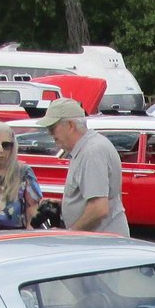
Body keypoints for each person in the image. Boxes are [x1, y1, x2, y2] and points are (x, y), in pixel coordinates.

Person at [43, 98, 129, 235]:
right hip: (99, 241)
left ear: (71, 125)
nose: (50, 133)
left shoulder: (92, 152)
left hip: (102, 244)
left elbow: (99, 208)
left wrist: (69, 234)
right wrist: (63, 204)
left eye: (52, 128)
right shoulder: (86, 148)